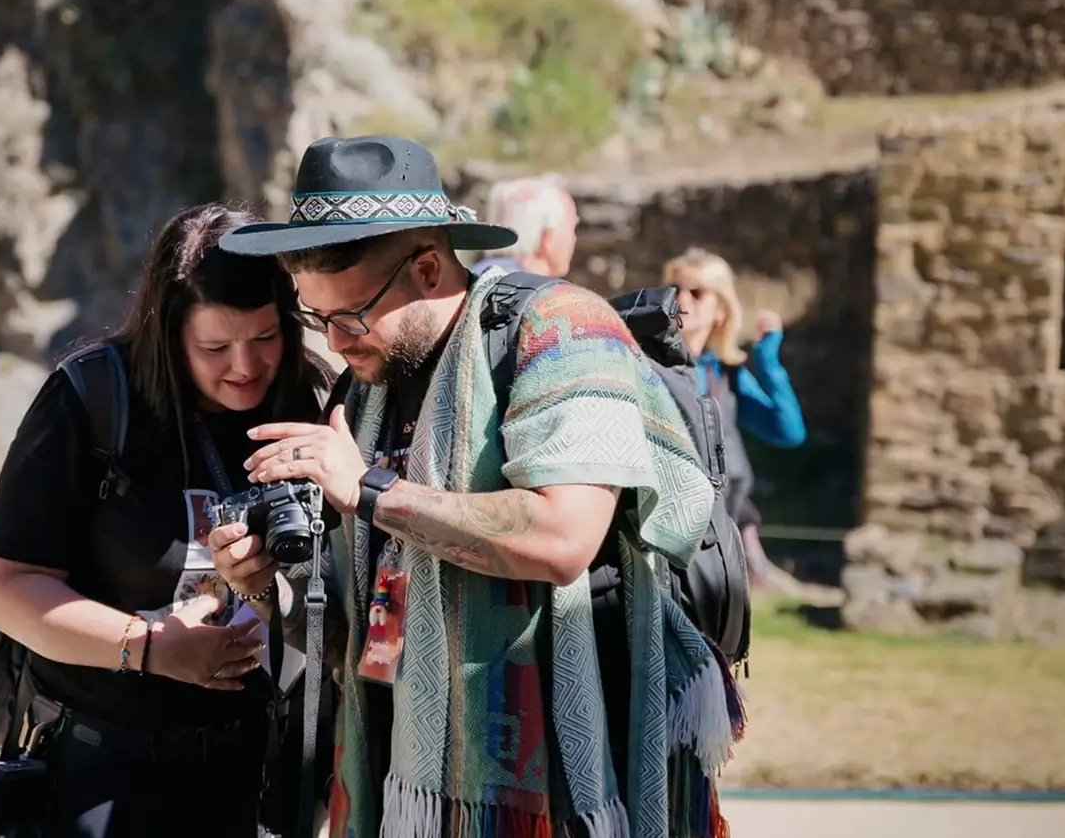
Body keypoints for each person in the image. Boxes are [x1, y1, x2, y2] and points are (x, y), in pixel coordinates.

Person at [210, 135, 732, 838]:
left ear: (427, 268)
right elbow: (357, 635)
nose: (333, 341)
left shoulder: (562, 330)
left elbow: (563, 536)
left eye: (349, 316)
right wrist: (263, 584)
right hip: (406, 782)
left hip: (572, 776)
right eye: (316, 317)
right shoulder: (365, 392)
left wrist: (367, 489)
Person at [0, 203, 335, 838]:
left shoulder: (316, 399)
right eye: (215, 347)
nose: (245, 367)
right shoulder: (93, 401)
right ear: (168, 334)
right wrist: (149, 648)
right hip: (102, 770)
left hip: (264, 770)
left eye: (266, 338)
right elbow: (5, 590)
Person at [662, 247, 807, 585]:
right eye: (674, 290)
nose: (682, 299)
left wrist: (768, 360)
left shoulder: (726, 374)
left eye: (696, 292)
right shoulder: (650, 365)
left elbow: (788, 431)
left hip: (726, 523)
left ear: (721, 310)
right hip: (670, 524)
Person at [466, 173, 579, 278]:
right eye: (572, 227)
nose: (574, 239)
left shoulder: (466, 280)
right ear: (547, 237)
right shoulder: (545, 294)